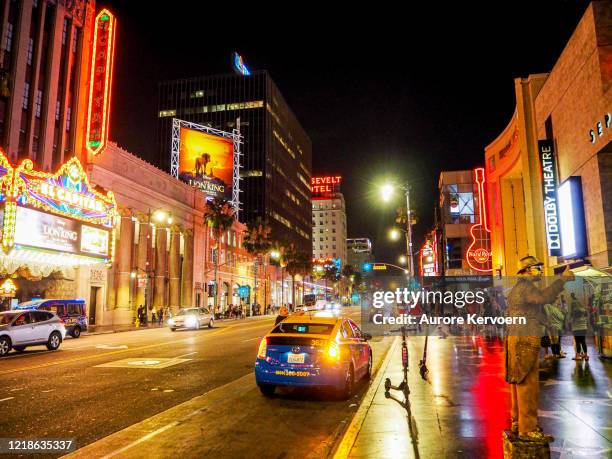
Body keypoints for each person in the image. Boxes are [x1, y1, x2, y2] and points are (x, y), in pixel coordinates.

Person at [505, 255, 573, 442]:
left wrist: (548, 323)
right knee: (528, 384)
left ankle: (518, 422)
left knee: (518, 381)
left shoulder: (517, 290)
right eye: (537, 267)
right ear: (527, 270)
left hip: (516, 337)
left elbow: (532, 312)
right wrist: (562, 280)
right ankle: (528, 429)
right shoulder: (526, 287)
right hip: (525, 338)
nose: (541, 270)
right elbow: (543, 298)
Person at [567, 292, 589, 361]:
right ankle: (585, 355)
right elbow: (587, 319)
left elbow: (570, 321)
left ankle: (577, 355)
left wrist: (569, 326)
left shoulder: (574, 312)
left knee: (578, 342)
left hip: (577, 329)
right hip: (584, 328)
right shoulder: (584, 311)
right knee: (583, 341)